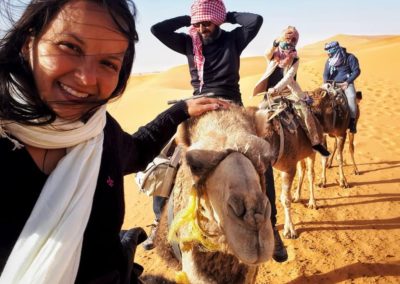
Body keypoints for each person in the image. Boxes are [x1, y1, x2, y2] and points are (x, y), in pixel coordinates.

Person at [0, 0, 229, 283]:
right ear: (27, 41)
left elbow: (137, 151)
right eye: (69, 47)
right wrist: (192, 18)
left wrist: (180, 110)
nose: (86, 79)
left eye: (109, 63)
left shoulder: (98, 131)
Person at [146, 0, 288, 264]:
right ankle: (158, 222)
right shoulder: (190, 42)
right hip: (196, 106)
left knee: (259, 158)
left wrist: (225, 15)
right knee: (165, 158)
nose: (202, 27)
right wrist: (191, 19)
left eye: (206, 22)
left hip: (230, 105)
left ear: (217, 20)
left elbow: (254, 20)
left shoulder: (234, 39)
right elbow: (157, 29)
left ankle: (274, 228)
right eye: (198, 23)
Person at [253, 26, 330, 157]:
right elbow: (266, 53)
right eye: (289, 37)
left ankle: (315, 143)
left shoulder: (295, 58)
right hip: (269, 94)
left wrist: (276, 89)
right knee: (257, 115)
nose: (291, 41)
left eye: (294, 38)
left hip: (288, 92)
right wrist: (277, 40)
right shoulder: (273, 54)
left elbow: (289, 77)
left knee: (306, 113)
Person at [323, 41, 361, 133]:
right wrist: (325, 83)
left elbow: (357, 71)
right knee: (319, 97)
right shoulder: (329, 61)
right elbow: (325, 74)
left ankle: (352, 122)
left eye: (330, 52)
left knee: (351, 97)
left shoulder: (350, 58)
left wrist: (347, 82)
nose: (329, 54)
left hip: (346, 84)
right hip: (331, 84)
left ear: (335, 50)